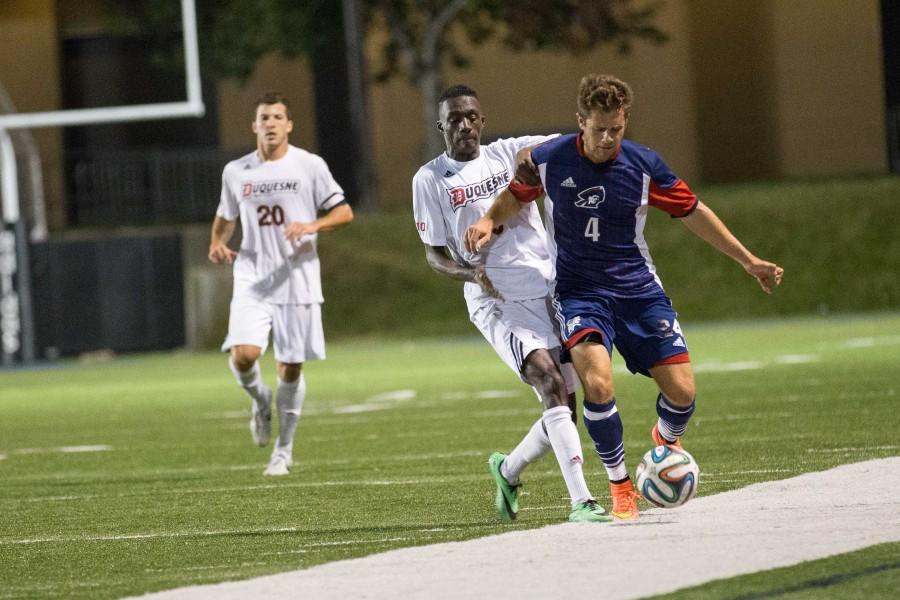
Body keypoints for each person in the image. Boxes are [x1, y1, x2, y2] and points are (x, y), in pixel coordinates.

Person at [465, 73, 784, 520]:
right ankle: (620, 487)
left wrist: (747, 260)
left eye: (616, 129)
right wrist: (487, 221)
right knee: (597, 384)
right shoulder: (552, 159)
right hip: (579, 294)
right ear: (580, 122)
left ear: (624, 121)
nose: (607, 139)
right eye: (599, 130)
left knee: (683, 394)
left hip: (639, 291)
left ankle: (665, 443)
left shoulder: (643, 165)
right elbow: (516, 194)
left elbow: (693, 211)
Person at [412, 84, 611, 523]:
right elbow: (433, 254)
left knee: (564, 403)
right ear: (441, 125)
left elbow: (567, 144)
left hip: (548, 286)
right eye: (455, 118)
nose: (464, 125)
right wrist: (471, 274)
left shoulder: (509, 153)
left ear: (482, 121)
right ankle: (582, 501)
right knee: (548, 382)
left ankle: (508, 469)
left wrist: (597, 134)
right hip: (495, 299)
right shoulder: (430, 179)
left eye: (471, 117)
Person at [209, 92, 353, 476]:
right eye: (264, 117)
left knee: (290, 367)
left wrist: (313, 224)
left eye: (277, 117)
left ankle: (283, 451)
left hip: (298, 277)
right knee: (244, 355)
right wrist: (217, 242)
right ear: (255, 126)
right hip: (253, 276)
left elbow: (344, 211)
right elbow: (226, 215)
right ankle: (259, 401)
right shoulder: (237, 171)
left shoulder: (309, 165)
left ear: (288, 124)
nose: (270, 123)